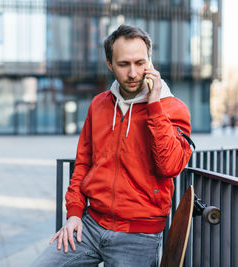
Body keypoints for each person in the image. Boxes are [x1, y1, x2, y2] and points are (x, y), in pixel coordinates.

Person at [31, 25, 192, 266]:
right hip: (90, 226)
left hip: (138, 235)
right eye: (123, 64)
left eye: (140, 63)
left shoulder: (173, 109)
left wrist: (154, 106)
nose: (133, 73)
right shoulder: (99, 105)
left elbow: (169, 167)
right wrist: (74, 214)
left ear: (150, 61)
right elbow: (83, 163)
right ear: (110, 64)